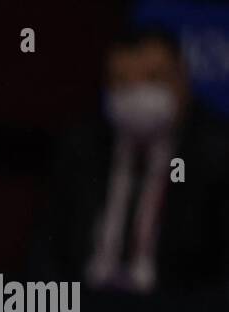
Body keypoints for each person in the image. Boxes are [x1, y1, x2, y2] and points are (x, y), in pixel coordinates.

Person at [34, 26, 229, 293]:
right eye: (122, 82)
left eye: (153, 79)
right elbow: (47, 249)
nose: (138, 95)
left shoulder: (217, 153)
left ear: (182, 77)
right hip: (86, 309)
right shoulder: (82, 145)